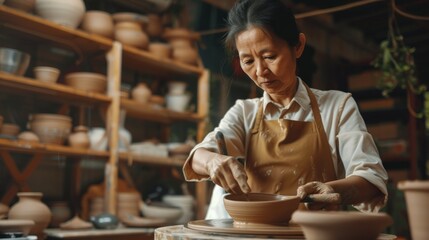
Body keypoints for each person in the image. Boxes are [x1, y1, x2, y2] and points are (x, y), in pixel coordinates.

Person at [183, 0, 388, 219]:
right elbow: (199, 157)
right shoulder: (244, 113)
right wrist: (213, 161)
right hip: (256, 235)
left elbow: (371, 178)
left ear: (298, 46)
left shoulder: (337, 106)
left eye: (270, 57)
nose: (261, 71)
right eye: (248, 61)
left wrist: (336, 190)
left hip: (314, 233)